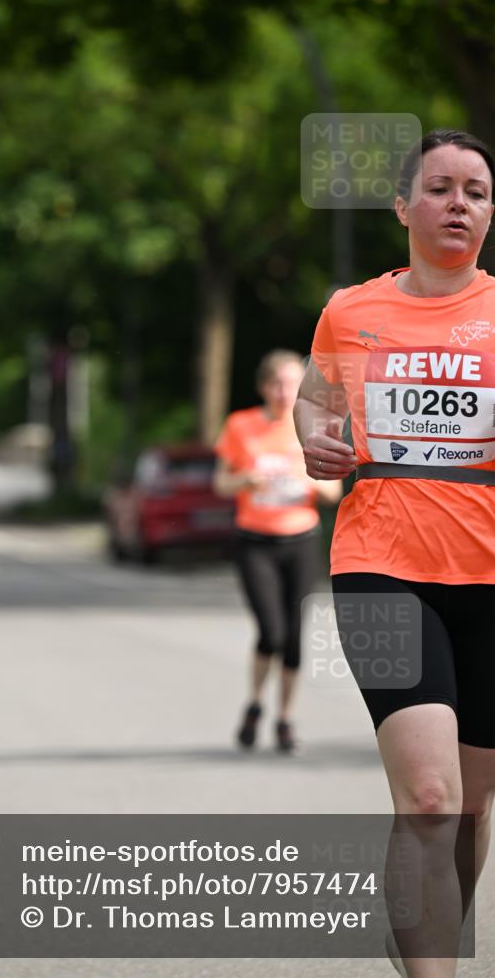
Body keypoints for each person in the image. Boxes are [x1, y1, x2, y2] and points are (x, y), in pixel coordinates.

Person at [294, 129, 495, 977]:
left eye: (476, 192)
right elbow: (312, 402)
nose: (459, 204)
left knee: (471, 805)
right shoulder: (352, 310)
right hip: (379, 563)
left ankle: (426, 931)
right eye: (442, 188)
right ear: (403, 206)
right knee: (428, 796)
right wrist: (314, 441)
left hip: (487, 570)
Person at [214, 350, 342, 752]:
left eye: (292, 383)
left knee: (294, 639)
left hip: (301, 541)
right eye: (277, 383)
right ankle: (254, 704)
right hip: (255, 542)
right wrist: (247, 480)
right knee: (271, 631)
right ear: (263, 387)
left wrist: (305, 479)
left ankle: (284, 719)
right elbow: (221, 484)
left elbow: (332, 491)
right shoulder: (241, 425)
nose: (285, 391)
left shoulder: (310, 424)